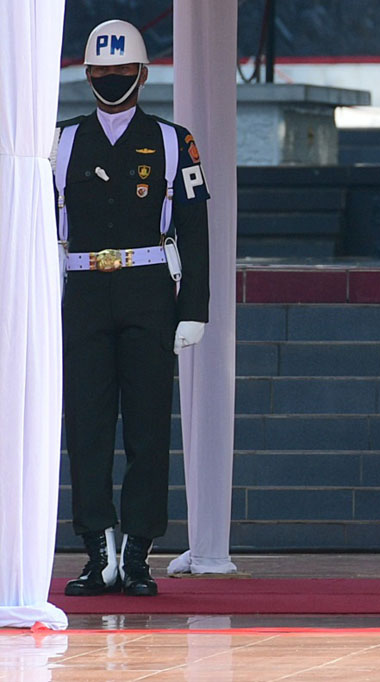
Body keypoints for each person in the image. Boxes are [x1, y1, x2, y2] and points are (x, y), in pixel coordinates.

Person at [55, 19, 210, 597]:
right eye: (101, 71)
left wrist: (195, 307)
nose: (112, 80)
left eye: (123, 71)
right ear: (86, 73)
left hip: (148, 291)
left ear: (143, 74)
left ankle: (139, 551)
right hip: (85, 295)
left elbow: (195, 228)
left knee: (148, 428)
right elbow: (44, 228)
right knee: (88, 429)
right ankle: (98, 551)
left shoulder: (173, 140)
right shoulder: (61, 141)